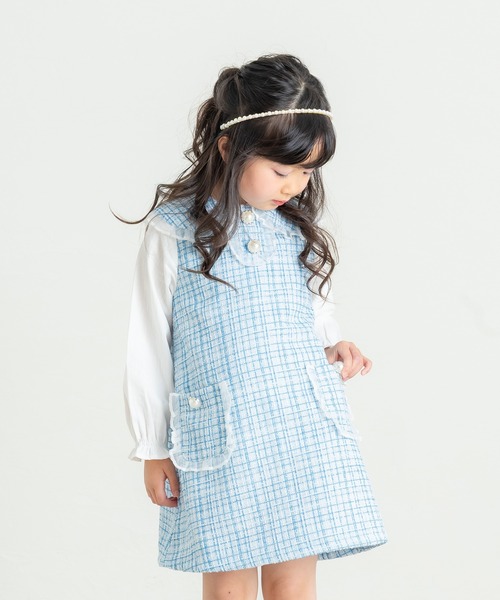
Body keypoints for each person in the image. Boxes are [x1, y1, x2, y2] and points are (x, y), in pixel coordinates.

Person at [119, 53, 388, 599]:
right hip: (224, 432)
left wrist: (334, 344)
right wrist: (152, 446)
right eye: (281, 170)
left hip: (299, 427)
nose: (294, 186)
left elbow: (312, 313)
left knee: (294, 583)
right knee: (229, 584)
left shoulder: (293, 231)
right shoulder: (175, 232)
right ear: (228, 148)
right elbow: (148, 344)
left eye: (307, 172)